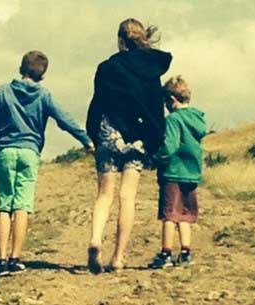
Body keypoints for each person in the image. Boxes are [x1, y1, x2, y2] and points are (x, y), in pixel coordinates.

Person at [0, 50, 94, 276]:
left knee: (5, 206)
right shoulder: (44, 96)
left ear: (21, 68)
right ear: (42, 74)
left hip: (5, 151)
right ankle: (15, 259)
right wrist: (86, 140)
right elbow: (64, 119)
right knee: (22, 206)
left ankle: (0, 260)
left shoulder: (2, 92)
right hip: (29, 152)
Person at [86, 18, 172, 274]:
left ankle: (95, 240)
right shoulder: (151, 70)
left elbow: (97, 105)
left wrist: (93, 134)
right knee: (128, 197)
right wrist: (155, 140)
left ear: (120, 39)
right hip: (137, 139)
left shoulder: (106, 68)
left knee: (104, 194)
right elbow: (155, 109)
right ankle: (118, 257)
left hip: (109, 134)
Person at [148, 75, 207, 269]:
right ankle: (185, 253)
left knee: (169, 215)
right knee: (185, 215)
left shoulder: (173, 120)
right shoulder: (197, 118)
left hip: (172, 173)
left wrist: (155, 158)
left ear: (171, 100)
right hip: (191, 174)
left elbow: (169, 147)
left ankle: (165, 253)